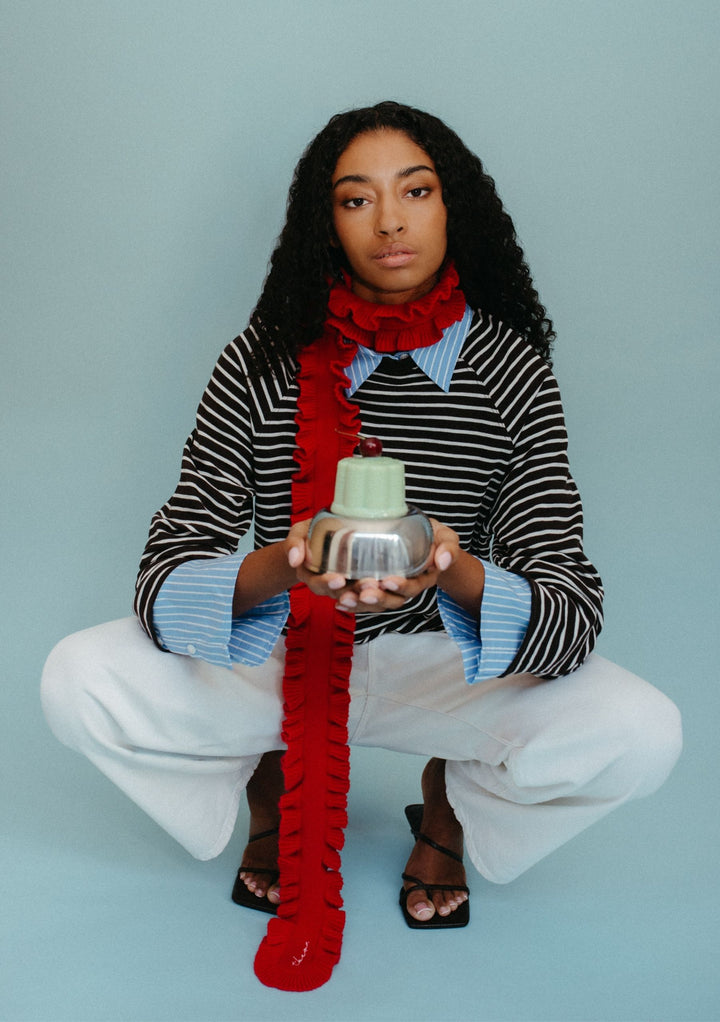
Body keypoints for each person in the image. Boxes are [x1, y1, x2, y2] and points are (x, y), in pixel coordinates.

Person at [42, 101, 682, 938]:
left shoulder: (511, 369)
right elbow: (164, 572)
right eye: (355, 200)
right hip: (283, 651)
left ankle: (448, 811)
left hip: (438, 662)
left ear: (455, 207)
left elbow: (570, 607)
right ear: (325, 223)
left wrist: (453, 567)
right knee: (76, 678)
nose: (388, 221)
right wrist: (287, 564)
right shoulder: (263, 356)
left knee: (641, 732)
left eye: (414, 191)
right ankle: (271, 797)